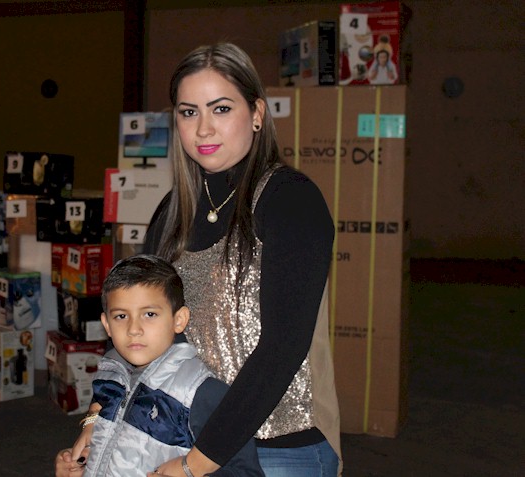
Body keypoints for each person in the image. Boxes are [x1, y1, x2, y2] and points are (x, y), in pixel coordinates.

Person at [63, 42, 342, 477]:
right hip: (173, 437)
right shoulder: (172, 213)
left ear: (257, 113)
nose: (204, 129)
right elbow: (132, 325)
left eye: (221, 109)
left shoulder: (290, 200)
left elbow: (282, 349)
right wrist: (97, 420)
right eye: (189, 112)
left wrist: (197, 463)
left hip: (277, 448)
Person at [55, 254, 264, 477]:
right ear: (106, 324)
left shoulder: (200, 393)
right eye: (121, 316)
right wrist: (81, 468)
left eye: (149, 314)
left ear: (179, 320)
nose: (134, 329)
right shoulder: (110, 375)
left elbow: (245, 472)